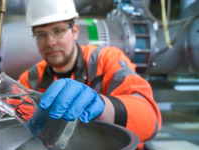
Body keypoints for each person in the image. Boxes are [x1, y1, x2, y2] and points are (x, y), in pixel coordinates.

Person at [18, 0, 162, 149]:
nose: (50, 42)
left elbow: (151, 120)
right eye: (41, 35)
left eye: (58, 30)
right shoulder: (30, 79)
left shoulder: (107, 59)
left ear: (75, 31)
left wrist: (105, 108)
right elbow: (15, 127)